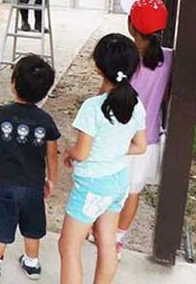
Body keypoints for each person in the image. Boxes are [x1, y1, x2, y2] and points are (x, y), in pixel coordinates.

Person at [59, 33, 147, 284]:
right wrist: (114, 149)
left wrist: (69, 151)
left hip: (92, 186)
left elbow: (83, 153)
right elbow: (139, 146)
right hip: (119, 181)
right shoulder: (136, 104)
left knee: (68, 246)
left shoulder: (92, 107)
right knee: (107, 244)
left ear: (98, 68)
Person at [0, 55, 59, 283]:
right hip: (33, 185)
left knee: (2, 223)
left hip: (6, 184)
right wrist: (51, 180)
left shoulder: (0, 114)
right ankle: (32, 263)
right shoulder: (46, 121)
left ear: (13, 83)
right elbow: (52, 155)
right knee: (33, 225)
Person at [114, 0, 172, 256]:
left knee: (112, 188)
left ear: (130, 25)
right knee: (133, 191)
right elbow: (168, 93)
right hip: (147, 139)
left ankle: (100, 231)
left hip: (119, 136)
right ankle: (118, 238)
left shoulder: (123, 60)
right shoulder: (168, 59)